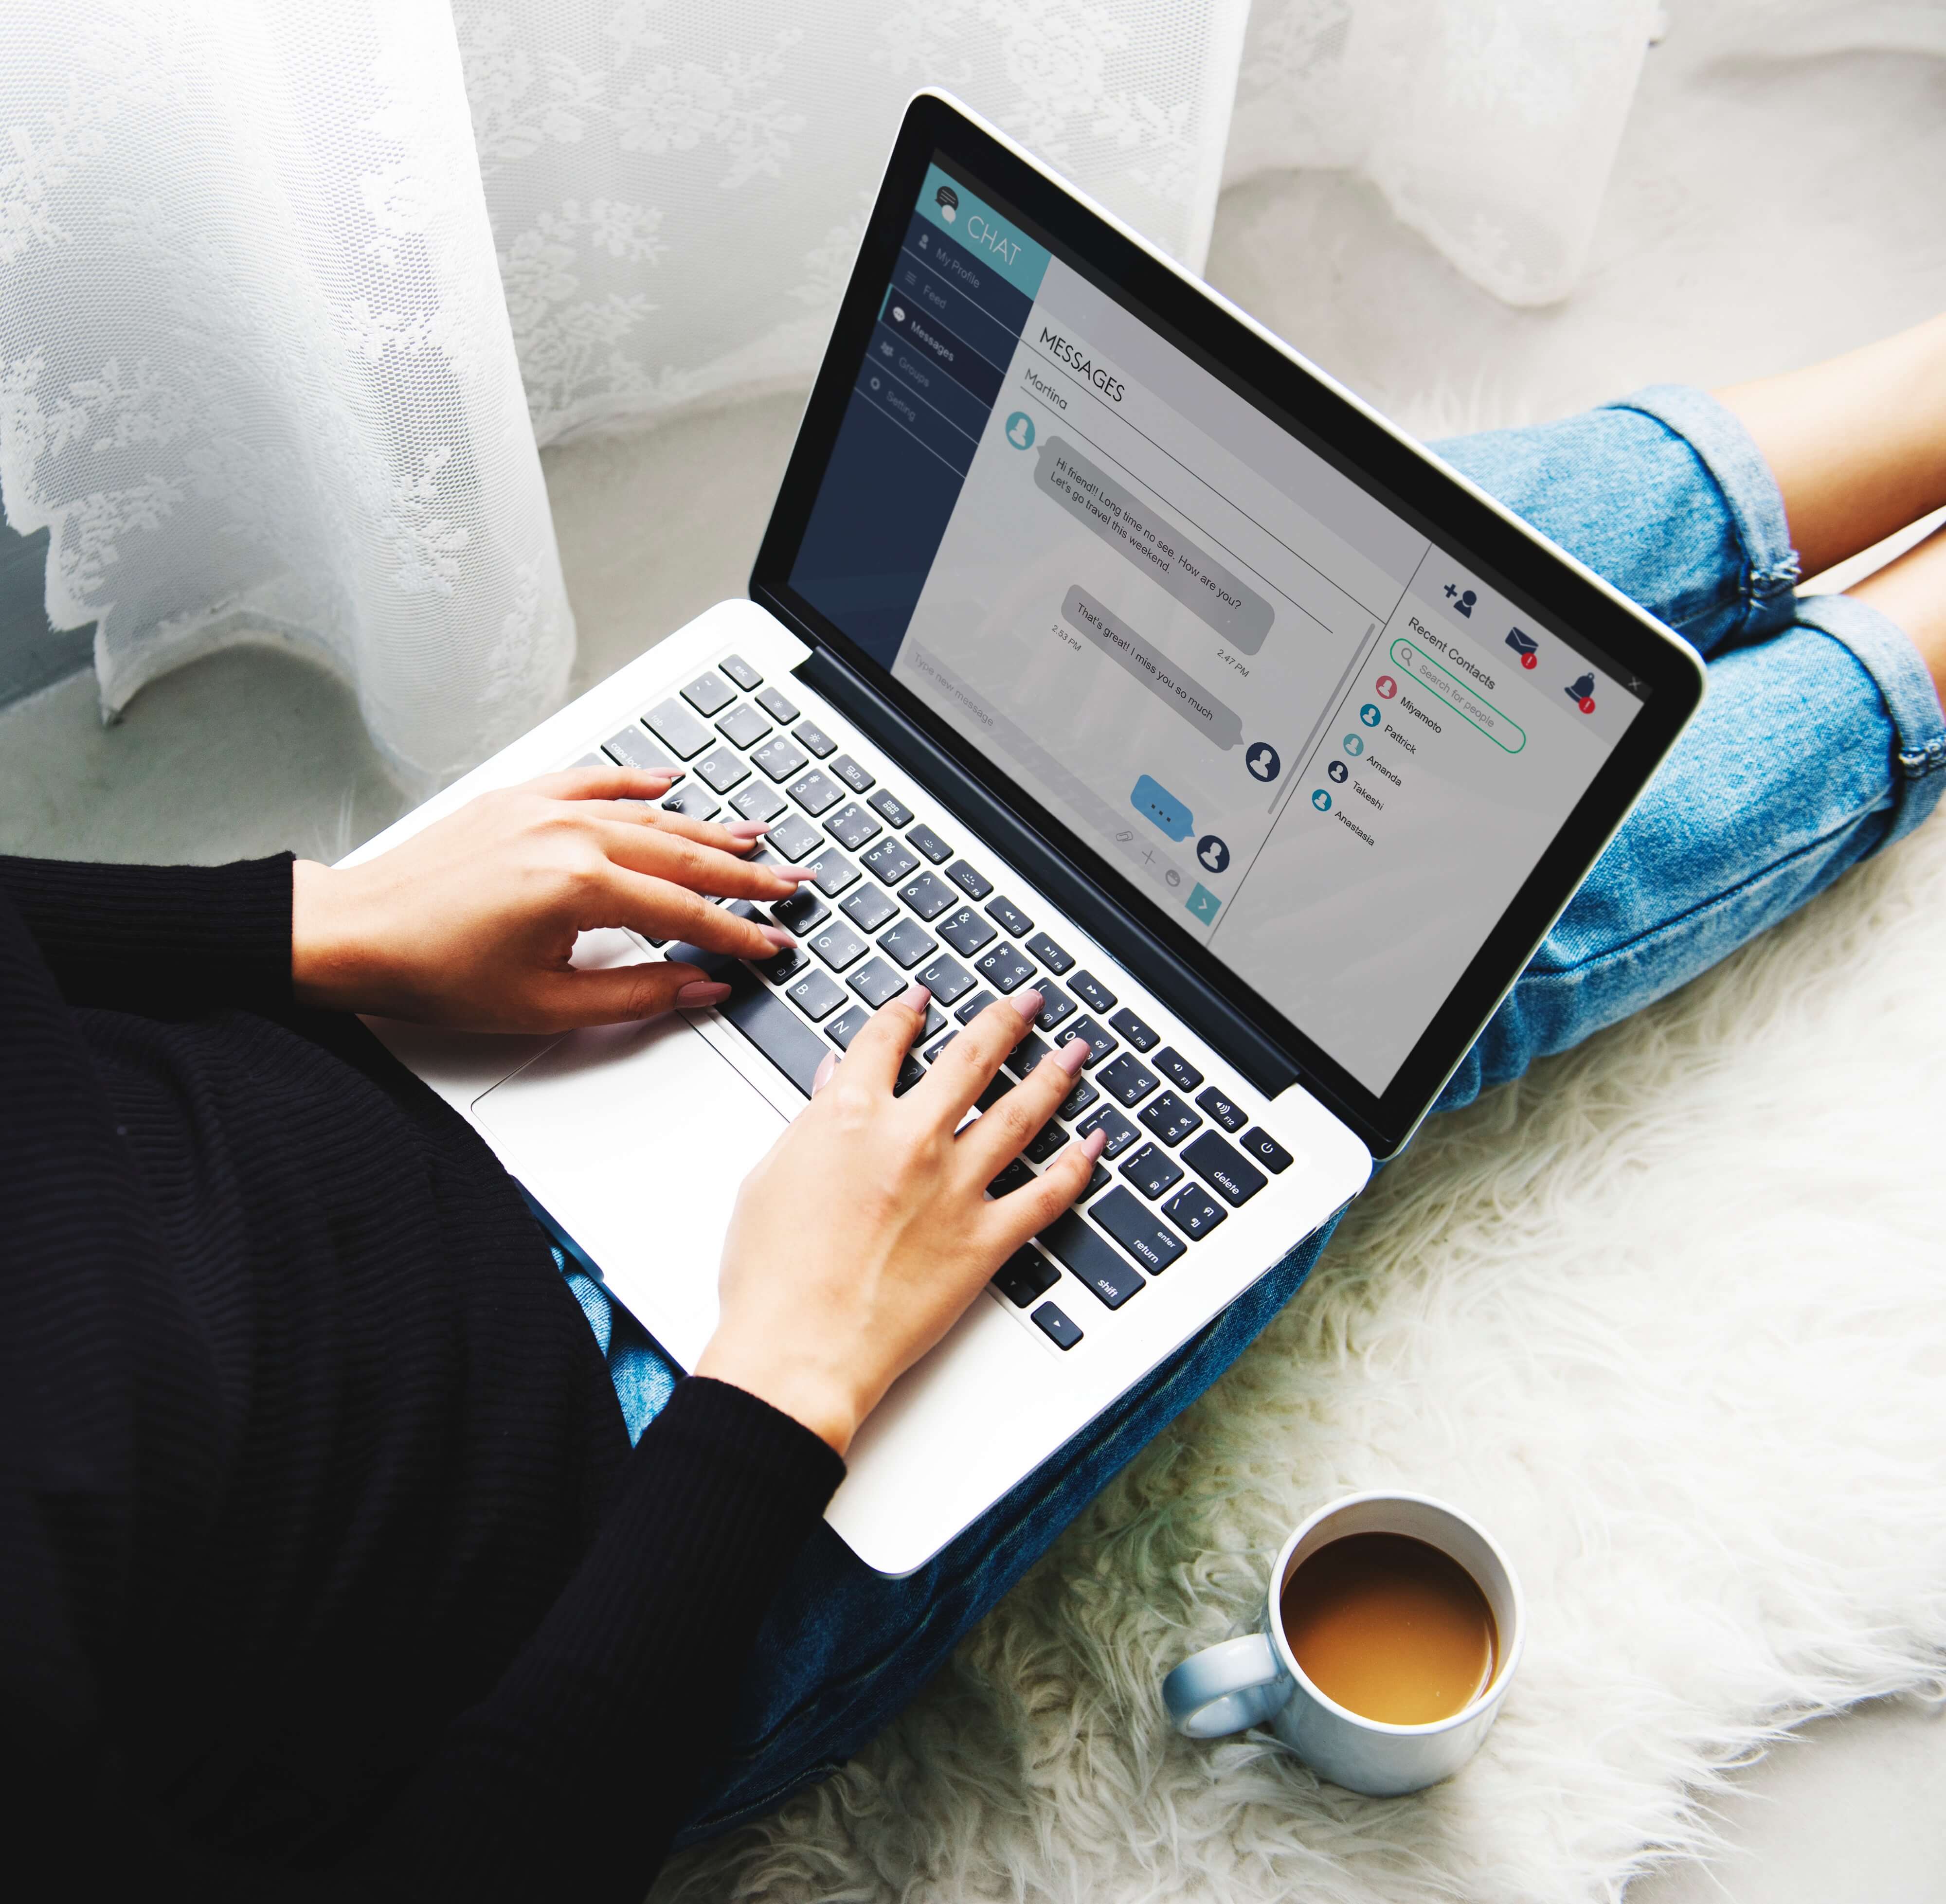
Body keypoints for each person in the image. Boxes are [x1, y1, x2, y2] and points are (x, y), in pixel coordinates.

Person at [4, 319, 1944, 1901]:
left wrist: (317, 922)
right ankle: (1909, 668)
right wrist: (785, 1383)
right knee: (1353, 978)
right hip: (629, 1532)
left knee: (1315, 619)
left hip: (383, 1050)